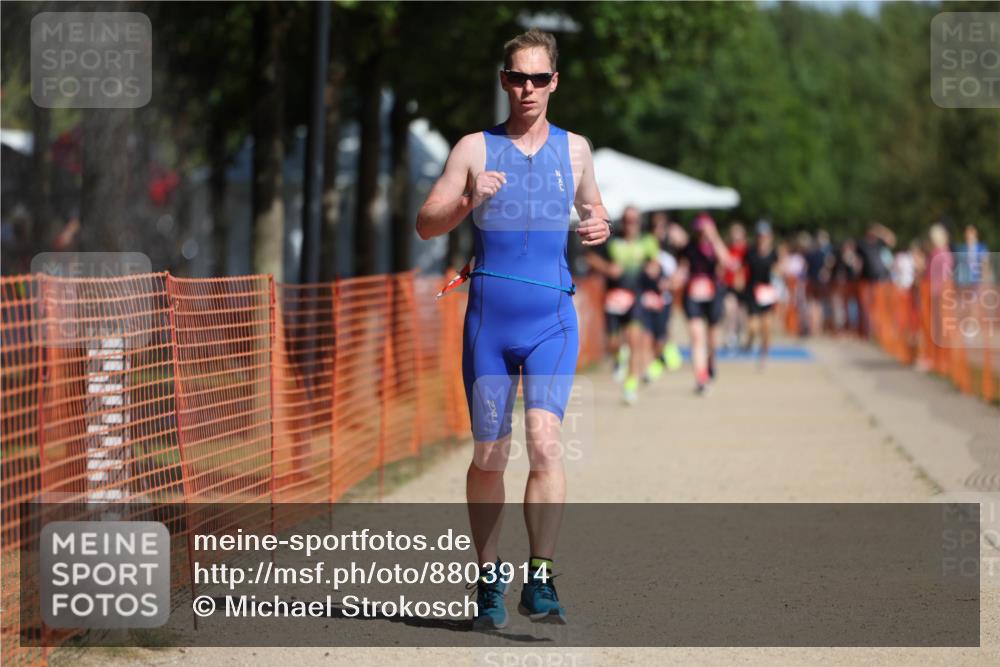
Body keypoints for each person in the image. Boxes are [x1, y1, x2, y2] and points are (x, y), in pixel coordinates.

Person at [416, 28, 611, 628]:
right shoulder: (474, 149)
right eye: (517, 77)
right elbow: (426, 223)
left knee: (547, 444)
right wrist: (467, 201)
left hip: (552, 320)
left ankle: (541, 578)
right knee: (491, 455)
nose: (528, 88)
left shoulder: (576, 150)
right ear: (504, 81)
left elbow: (594, 206)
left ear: (555, 82)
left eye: (539, 78)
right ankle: (488, 577)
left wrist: (599, 223)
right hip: (490, 324)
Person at [586, 206, 660, 404]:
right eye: (627, 220)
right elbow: (590, 256)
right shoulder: (612, 239)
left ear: (640, 222)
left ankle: (630, 386)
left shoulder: (647, 241)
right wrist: (607, 268)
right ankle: (620, 357)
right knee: (613, 343)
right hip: (615, 297)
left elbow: (655, 262)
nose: (630, 225)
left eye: (634, 220)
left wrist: (653, 269)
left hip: (636, 297)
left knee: (635, 341)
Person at [678, 213, 734, 394]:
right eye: (700, 231)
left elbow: (727, 262)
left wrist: (714, 237)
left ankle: (711, 361)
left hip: (713, 295)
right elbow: (682, 268)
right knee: (697, 337)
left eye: (705, 230)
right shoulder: (689, 247)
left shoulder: (715, 246)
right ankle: (701, 378)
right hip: (693, 295)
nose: (702, 234)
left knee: (711, 338)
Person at [743, 220, 781, 368]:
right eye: (760, 235)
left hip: (768, 293)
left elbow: (779, 270)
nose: (762, 238)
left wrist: (777, 271)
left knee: (766, 327)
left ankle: (763, 356)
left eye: (765, 235)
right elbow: (743, 269)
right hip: (753, 291)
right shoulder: (750, 252)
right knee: (753, 326)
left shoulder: (774, 253)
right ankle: (750, 341)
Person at [721, 222, 749, 350]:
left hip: (744, 286)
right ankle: (730, 335)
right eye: (733, 232)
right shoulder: (727, 249)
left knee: (741, 314)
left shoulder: (747, 250)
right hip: (729, 285)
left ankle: (740, 334)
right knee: (729, 310)